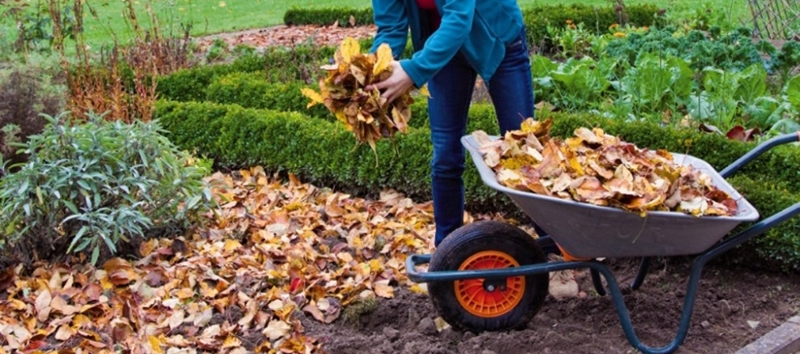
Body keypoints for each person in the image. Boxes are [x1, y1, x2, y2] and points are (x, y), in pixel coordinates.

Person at [366, 0, 539, 247]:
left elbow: (459, 18)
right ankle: (447, 249)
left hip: (496, 37)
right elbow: (390, 30)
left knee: (522, 149)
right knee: (445, 155)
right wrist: (370, 74)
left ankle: (558, 249)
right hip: (442, 49)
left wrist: (414, 71)